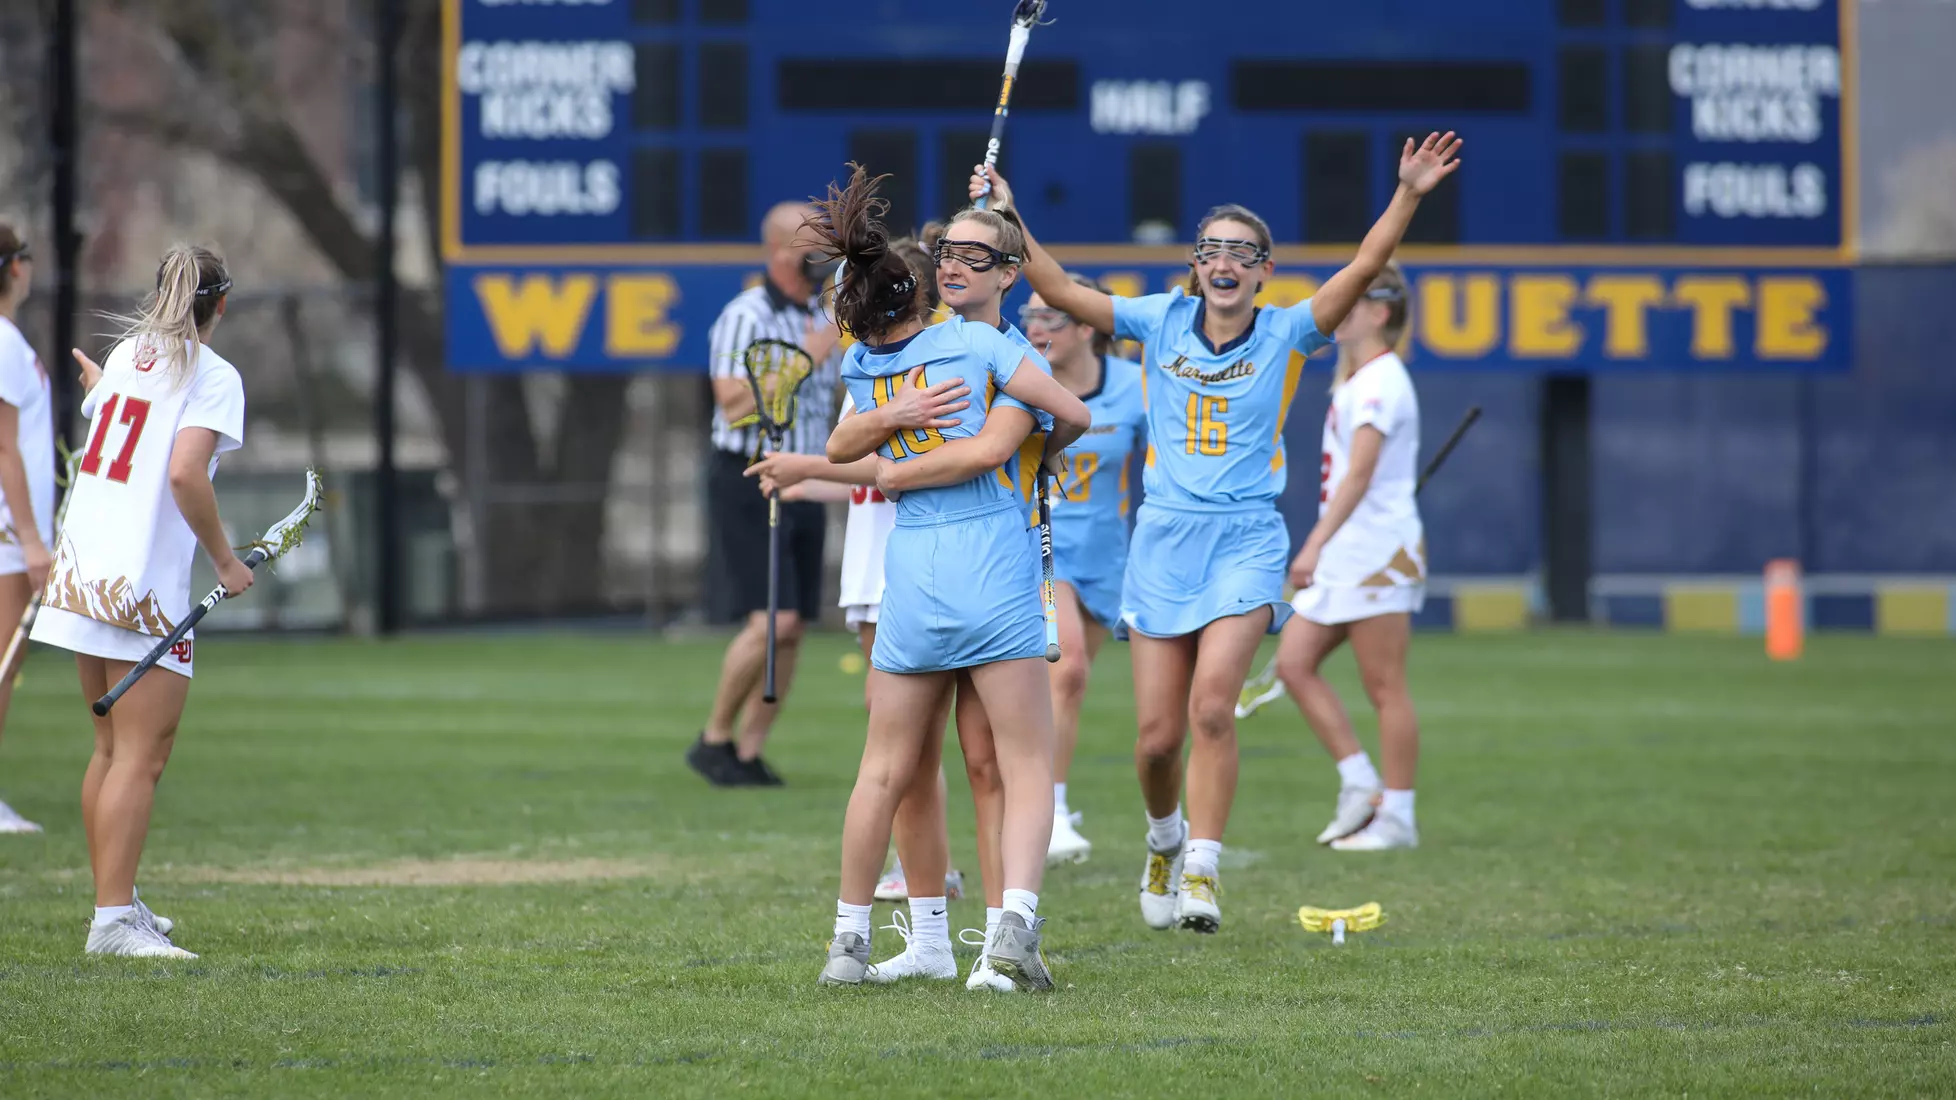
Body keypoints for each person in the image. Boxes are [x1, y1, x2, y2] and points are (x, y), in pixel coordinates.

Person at [970, 130, 1461, 934]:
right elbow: (1055, 286)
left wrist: (1406, 193)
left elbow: (1366, 270)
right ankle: (1164, 840)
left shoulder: (1290, 332)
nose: (1227, 261)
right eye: (1213, 249)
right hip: (1162, 541)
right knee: (1158, 740)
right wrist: (1010, 214)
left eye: (1244, 251)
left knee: (1211, 711)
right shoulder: (1156, 320)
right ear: (1196, 265)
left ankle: (1202, 868)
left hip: (1245, 539)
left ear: (1264, 271)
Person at [810, 164, 1090, 992]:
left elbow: (839, 451)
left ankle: (850, 945)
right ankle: (1009, 939)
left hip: (912, 576)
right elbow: (1065, 417)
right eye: (945, 254)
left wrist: (895, 452)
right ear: (926, 281)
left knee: (888, 768)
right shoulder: (986, 346)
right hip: (989, 565)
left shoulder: (864, 364)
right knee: (1024, 764)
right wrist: (1037, 445)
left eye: (973, 254)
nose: (955, 263)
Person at [32, 244, 250, 958]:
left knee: (108, 749)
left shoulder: (129, 354)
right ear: (220, 306)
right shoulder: (213, 375)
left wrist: (98, 388)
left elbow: (125, 429)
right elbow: (186, 474)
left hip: (85, 568)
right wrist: (225, 559)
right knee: (141, 757)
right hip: (140, 587)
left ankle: (115, 902)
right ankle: (113, 920)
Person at [745, 237, 966, 911]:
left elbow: (891, 469)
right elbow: (860, 474)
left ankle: (933, 872)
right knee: (900, 737)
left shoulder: (939, 361)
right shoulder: (864, 368)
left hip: (914, 560)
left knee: (905, 737)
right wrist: (804, 480)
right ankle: (929, 870)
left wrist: (809, 467)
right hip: (871, 563)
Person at [687, 202, 843, 788]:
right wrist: (807, 358)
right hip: (749, 474)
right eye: (813, 245)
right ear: (782, 251)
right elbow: (731, 402)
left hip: (805, 474)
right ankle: (713, 738)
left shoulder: (822, 313)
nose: (823, 256)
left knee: (795, 624)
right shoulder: (744, 315)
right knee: (770, 619)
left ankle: (748, 751)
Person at [1276, 264, 1425, 851]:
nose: (1338, 311)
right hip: (1348, 552)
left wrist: (1312, 544)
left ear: (1381, 313)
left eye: (1353, 303)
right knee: (1293, 664)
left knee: (1384, 685)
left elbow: (1360, 475)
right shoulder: (1358, 378)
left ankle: (1399, 816)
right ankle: (1361, 783)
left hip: (1377, 553)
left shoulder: (1383, 381)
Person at [1018, 276, 1148, 864]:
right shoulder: (1019, 378)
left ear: (1088, 326)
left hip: (1108, 557)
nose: (1038, 327)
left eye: (1053, 317)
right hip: (1041, 548)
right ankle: (1053, 812)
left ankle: (1036, 796)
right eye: (1032, 315)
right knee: (1065, 669)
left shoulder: (1133, 385)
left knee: (1066, 686)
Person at [0, 224, 55, 835]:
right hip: (7, 535)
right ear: (15, 268)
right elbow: (6, 449)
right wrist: (32, 539)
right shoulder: (3, 340)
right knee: (2, 660)